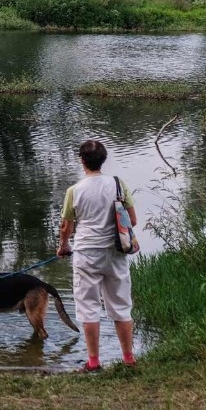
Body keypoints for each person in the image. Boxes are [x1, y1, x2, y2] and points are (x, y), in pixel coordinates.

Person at [56, 138, 136, 371]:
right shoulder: (118, 183)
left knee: (88, 307)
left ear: (82, 161)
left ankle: (93, 362)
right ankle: (129, 359)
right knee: (121, 305)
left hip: (86, 254)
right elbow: (132, 220)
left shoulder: (74, 191)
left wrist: (63, 246)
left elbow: (66, 227)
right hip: (115, 252)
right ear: (103, 160)